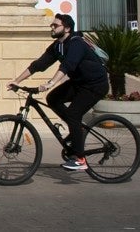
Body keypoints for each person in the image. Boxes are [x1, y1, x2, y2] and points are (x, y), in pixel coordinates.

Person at [8, 13, 109, 172]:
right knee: (53, 98)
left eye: (56, 25)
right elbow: (39, 65)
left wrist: (51, 83)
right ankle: (76, 131)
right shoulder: (57, 46)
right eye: (52, 25)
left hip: (95, 85)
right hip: (79, 83)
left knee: (74, 114)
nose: (52, 27)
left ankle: (80, 159)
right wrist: (17, 80)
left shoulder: (77, 43)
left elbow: (68, 65)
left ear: (67, 28)